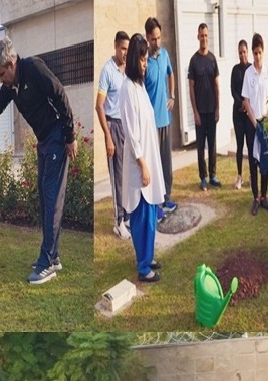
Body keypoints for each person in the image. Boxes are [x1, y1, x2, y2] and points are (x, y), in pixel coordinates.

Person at [0, 36, 77, 285]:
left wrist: (70, 136)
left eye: (1, 72)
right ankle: (54, 255)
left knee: (52, 197)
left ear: (12, 64)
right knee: (44, 195)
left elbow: (60, 94)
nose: (0, 78)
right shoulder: (10, 87)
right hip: (45, 141)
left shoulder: (34, 68)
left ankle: (47, 262)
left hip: (58, 136)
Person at [120, 33, 166, 283]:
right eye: (143, 60)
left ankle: (148, 257)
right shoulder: (127, 88)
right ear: (134, 60)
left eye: (147, 59)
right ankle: (143, 267)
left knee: (150, 213)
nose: (146, 64)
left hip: (148, 160)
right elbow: (130, 130)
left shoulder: (139, 87)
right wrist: (143, 163)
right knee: (141, 217)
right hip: (140, 165)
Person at [96, 31, 131, 240]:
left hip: (126, 126)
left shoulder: (127, 71)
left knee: (126, 175)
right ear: (115, 46)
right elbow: (99, 106)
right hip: (113, 127)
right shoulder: (107, 71)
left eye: (127, 48)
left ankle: (126, 217)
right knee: (116, 178)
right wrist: (108, 137)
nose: (125, 52)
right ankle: (118, 222)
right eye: (122, 48)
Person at [144, 17, 177, 215]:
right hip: (151, 124)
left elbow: (170, 74)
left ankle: (166, 199)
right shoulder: (144, 60)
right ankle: (155, 205)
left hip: (165, 119)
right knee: (153, 166)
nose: (157, 42)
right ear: (147, 38)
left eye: (158, 37)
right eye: (153, 39)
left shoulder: (164, 55)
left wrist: (171, 95)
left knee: (166, 164)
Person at [242, 33, 268, 216]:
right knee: (253, 162)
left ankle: (264, 196)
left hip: (266, 121)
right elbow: (245, 100)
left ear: (263, 51)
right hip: (252, 123)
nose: (257, 56)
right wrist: (255, 123)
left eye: (260, 52)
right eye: (255, 53)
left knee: (265, 159)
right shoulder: (248, 73)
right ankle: (255, 198)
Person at [188, 23, 221, 191]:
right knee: (200, 146)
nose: (204, 38)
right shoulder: (193, 61)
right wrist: (195, 112)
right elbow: (191, 87)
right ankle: (203, 177)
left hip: (211, 110)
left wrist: (217, 108)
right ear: (198, 37)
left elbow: (217, 86)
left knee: (212, 144)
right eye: (202, 35)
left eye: (206, 35)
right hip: (200, 112)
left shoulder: (213, 59)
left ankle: (213, 175)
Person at [230, 39, 251, 189]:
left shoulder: (251, 69)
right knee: (239, 146)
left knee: (250, 146)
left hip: (249, 114)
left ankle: (251, 175)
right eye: (240, 52)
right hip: (238, 113)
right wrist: (241, 103)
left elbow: (253, 89)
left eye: (244, 52)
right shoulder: (235, 70)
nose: (242, 55)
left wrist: (247, 104)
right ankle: (239, 176)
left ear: (247, 52)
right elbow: (233, 90)